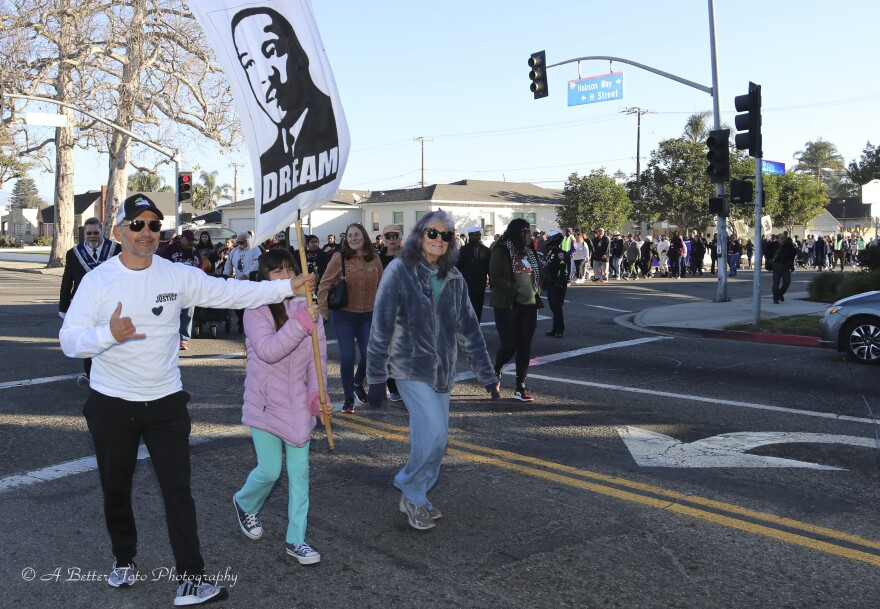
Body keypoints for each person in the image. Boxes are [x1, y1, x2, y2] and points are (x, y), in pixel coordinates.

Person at [59, 194, 315, 606]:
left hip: (164, 403)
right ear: (119, 231)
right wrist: (108, 335)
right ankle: (124, 559)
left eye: (154, 226)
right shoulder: (98, 281)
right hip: (112, 403)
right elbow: (70, 340)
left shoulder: (175, 274)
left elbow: (229, 291)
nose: (146, 233)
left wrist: (287, 286)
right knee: (115, 487)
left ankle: (192, 579)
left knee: (178, 491)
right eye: (137, 225)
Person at [365, 211, 499, 530]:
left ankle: (419, 495)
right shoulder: (399, 270)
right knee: (435, 434)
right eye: (432, 233)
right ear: (419, 235)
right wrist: (375, 376)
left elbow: (469, 327)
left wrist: (487, 374)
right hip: (409, 366)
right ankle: (411, 491)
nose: (439, 240)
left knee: (431, 440)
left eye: (446, 235)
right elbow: (381, 324)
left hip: (443, 370)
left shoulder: (453, 277)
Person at [232, 249, 327, 565]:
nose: (285, 276)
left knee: (300, 474)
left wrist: (317, 396)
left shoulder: (308, 306)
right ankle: (245, 503)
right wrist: (301, 323)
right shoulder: (256, 308)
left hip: (299, 405)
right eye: (277, 271)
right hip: (264, 404)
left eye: (289, 269)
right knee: (270, 470)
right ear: (264, 276)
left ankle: (296, 539)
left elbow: (318, 359)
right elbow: (269, 350)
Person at [231, 7, 339, 212]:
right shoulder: (269, 160)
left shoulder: (332, 129)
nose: (264, 76)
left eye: (270, 51)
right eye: (249, 64)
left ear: (299, 53)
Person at [317, 223, 383, 412]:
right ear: (346, 238)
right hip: (344, 316)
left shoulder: (375, 259)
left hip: (368, 315)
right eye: (350, 235)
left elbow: (383, 288)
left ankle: (357, 383)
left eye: (357, 234)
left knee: (370, 354)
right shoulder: (339, 258)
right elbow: (324, 285)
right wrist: (323, 310)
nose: (353, 238)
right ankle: (348, 398)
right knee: (347, 357)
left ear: (364, 236)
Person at [59, 217, 121, 389]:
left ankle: (111, 378)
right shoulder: (73, 253)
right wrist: (63, 308)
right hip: (85, 307)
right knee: (89, 342)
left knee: (111, 341)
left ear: (102, 232)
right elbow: (67, 282)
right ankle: (91, 377)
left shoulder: (116, 250)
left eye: (96, 233)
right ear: (84, 234)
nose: (92, 236)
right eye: (89, 233)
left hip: (111, 306)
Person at [489, 218, 543, 401]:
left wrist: (536, 290)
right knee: (510, 345)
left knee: (525, 345)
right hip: (508, 305)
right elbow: (495, 278)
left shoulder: (530, 251)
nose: (530, 235)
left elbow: (537, 274)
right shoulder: (502, 250)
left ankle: (520, 386)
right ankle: (496, 369)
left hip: (529, 305)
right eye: (527, 232)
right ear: (518, 233)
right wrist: (517, 290)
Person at [160, 230, 204, 350]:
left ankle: (183, 339)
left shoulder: (194, 250)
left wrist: (197, 278)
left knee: (187, 313)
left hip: (189, 287)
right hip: (173, 286)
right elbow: (161, 263)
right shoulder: (170, 249)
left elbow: (200, 265)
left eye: (192, 240)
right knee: (171, 312)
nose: (190, 243)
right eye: (188, 240)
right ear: (182, 238)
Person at [376, 224, 403, 402]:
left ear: (400, 237)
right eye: (388, 236)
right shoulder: (376, 258)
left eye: (395, 236)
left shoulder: (409, 257)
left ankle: (405, 385)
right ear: (383, 238)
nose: (392, 239)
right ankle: (392, 387)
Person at [224, 232, 262, 333]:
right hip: (238, 281)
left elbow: (258, 262)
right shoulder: (234, 251)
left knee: (249, 304)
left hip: (251, 281)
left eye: (242, 242)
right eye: (238, 242)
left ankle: (246, 324)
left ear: (248, 241)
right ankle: (241, 321)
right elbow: (228, 263)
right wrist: (226, 275)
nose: (240, 244)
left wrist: (247, 274)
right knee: (237, 303)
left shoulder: (255, 249)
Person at [455, 225, 492, 322]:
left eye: (479, 235)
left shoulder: (486, 250)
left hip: (481, 285)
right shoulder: (463, 250)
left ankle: (477, 329)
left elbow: (490, 269)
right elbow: (457, 267)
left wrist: (492, 284)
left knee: (478, 310)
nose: (478, 237)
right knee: (467, 310)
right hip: (467, 285)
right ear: (470, 236)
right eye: (476, 235)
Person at [542, 230, 569, 337]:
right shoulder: (551, 252)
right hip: (550, 282)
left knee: (557, 307)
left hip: (557, 283)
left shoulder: (560, 253)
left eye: (549, 239)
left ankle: (560, 330)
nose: (548, 241)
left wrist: (559, 282)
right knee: (553, 307)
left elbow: (562, 269)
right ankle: (554, 329)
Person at [771, 232, 797, 304]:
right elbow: (767, 253)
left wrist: (791, 263)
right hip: (776, 266)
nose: (782, 240)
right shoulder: (774, 245)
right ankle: (775, 298)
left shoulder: (789, 245)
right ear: (777, 239)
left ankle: (780, 293)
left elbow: (793, 253)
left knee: (787, 282)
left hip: (785, 266)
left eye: (784, 239)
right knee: (776, 282)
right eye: (781, 239)